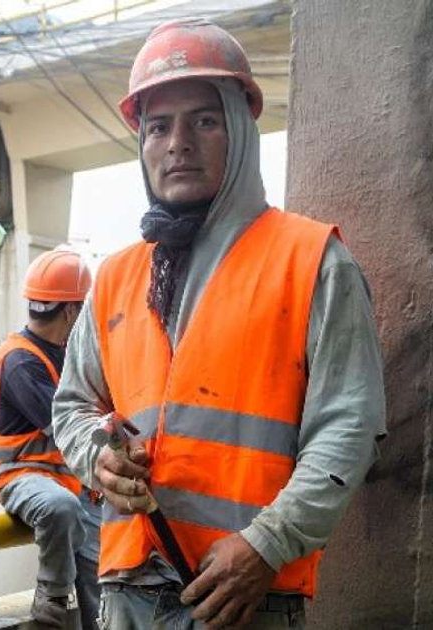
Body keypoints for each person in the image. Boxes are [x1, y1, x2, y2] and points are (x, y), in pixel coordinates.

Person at [51, 19, 386, 630]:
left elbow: (350, 425)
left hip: (246, 596)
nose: (177, 142)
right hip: (126, 590)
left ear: (240, 130)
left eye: (203, 120)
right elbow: (72, 403)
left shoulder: (312, 262)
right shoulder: (120, 276)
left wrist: (266, 545)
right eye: (158, 126)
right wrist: (97, 457)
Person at [0, 249, 100, 630]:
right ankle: (53, 600)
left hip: (67, 479)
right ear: (70, 311)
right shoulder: (20, 361)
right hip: (18, 473)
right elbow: (68, 427)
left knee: (105, 570)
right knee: (60, 508)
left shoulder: (65, 353)